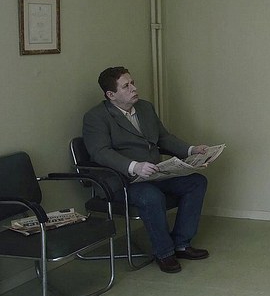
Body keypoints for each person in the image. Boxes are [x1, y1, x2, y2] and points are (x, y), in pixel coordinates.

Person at [82, 66, 210, 273]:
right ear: (111, 95)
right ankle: (164, 253)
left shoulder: (145, 108)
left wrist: (191, 150)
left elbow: (164, 138)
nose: (134, 88)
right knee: (151, 196)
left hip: (154, 173)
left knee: (196, 182)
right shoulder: (96, 117)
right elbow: (100, 152)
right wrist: (134, 166)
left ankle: (181, 244)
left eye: (132, 83)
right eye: (126, 86)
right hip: (123, 181)